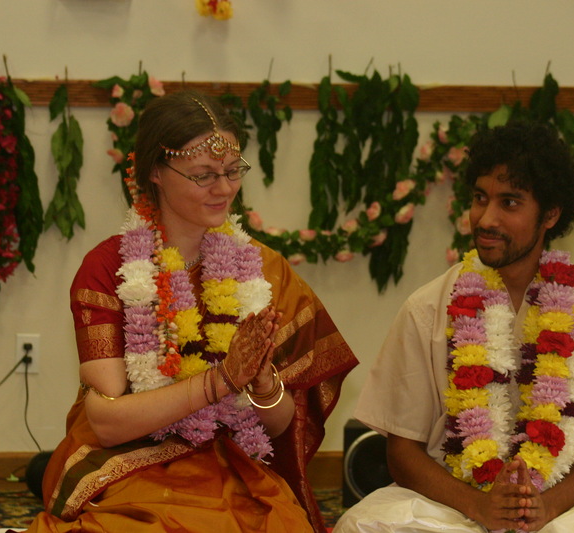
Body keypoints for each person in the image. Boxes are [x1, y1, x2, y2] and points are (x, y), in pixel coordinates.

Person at [335, 122, 574, 532]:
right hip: (456, 509)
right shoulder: (426, 309)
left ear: (550, 214)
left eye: (510, 203)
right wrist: (481, 506)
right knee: (361, 524)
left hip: (566, 508)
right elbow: (402, 452)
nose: (486, 218)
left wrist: (547, 508)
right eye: (480, 198)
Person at [25, 89, 358, 533]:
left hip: (235, 460)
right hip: (130, 463)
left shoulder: (265, 269)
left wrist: (261, 381)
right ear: (155, 173)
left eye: (233, 170)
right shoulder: (109, 268)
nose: (224, 188)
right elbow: (106, 423)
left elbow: (282, 425)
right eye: (204, 175)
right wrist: (221, 381)